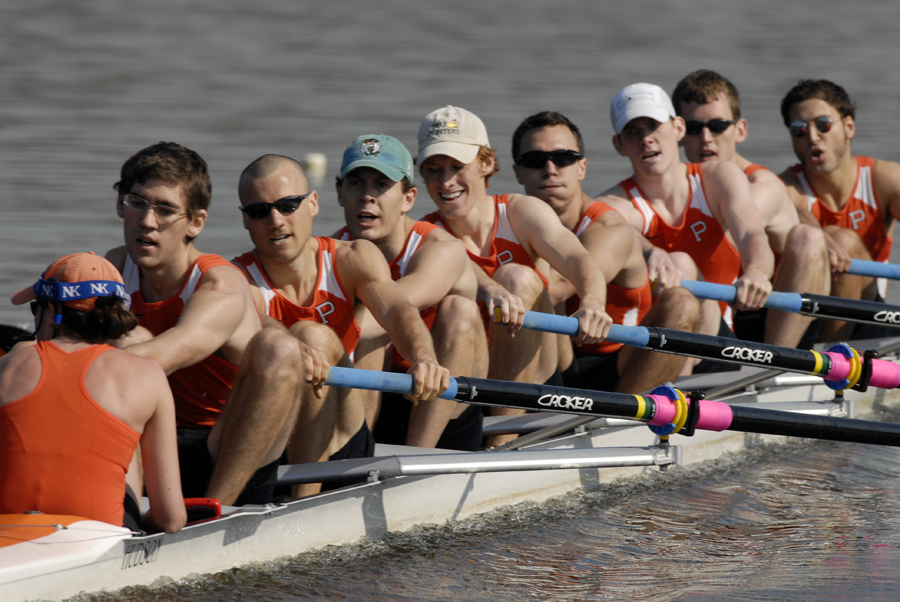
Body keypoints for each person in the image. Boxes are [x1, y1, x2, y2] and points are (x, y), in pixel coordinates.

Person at [234, 153, 450, 492]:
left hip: (342, 435)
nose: (276, 221)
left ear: (314, 204)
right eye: (260, 211)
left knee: (313, 335)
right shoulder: (234, 279)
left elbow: (397, 311)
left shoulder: (353, 258)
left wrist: (424, 357)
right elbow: (255, 319)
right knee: (296, 341)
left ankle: (302, 502)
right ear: (246, 220)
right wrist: (290, 347)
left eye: (288, 205)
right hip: (272, 436)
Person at [106, 141, 306, 507]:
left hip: (226, 448)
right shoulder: (115, 269)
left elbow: (164, 354)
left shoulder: (220, 283)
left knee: (279, 349)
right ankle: (126, 511)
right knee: (124, 338)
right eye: (137, 203)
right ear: (121, 204)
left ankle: (215, 514)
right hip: (154, 445)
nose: (148, 221)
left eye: (166, 211)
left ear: (196, 223)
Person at [416, 105, 613, 446]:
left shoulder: (522, 212)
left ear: (486, 164)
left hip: (536, 374)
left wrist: (594, 303)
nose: (446, 182)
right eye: (434, 170)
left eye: (457, 167)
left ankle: (501, 443)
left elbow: (578, 257)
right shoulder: (426, 235)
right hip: (472, 377)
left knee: (517, 278)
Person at [511, 111, 701, 392]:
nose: (550, 169)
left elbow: (558, 288)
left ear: (582, 168)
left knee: (682, 303)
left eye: (563, 158)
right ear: (517, 172)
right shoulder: (510, 219)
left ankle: (627, 412)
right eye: (535, 160)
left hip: (621, 363)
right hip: (561, 355)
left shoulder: (607, 228)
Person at [0, 252, 185, 533]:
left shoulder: (6, 368)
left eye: (35, 307)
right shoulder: (146, 376)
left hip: (8, 532)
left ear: (51, 311)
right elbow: (171, 519)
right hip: (99, 537)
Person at [333, 134, 487, 450]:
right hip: (377, 393)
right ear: (339, 192)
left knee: (454, 310)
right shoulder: (330, 252)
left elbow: (391, 310)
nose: (366, 196)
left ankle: (416, 460)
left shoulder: (441, 249)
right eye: (356, 184)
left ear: (408, 198)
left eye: (380, 185)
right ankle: (352, 457)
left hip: (442, 397)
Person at [599, 83, 774, 343]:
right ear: (619, 145)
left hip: (718, 343)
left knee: (679, 264)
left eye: (653, 126)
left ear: (678, 129)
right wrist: (651, 250)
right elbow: (611, 227)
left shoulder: (719, 177)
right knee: (678, 264)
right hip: (649, 345)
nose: (645, 139)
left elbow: (751, 234)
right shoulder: (615, 204)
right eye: (632, 131)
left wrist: (757, 273)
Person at [672, 70, 829, 349]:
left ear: (740, 130)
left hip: (776, 312)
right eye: (695, 128)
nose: (706, 138)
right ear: (679, 134)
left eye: (718, 126)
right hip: (728, 309)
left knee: (809, 237)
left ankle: (775, 367)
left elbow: (726, 236)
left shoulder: (762, 185)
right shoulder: (679, 187)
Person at [778, 79, 900, 341]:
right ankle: (832, 360)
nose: (812, 137)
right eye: (799, 130)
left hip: (871, 316)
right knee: (835, 237)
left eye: (823, 125)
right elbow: (791, 210)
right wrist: (819, 235)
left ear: (849, 127)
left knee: (843, 239)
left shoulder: (885, 179)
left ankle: (833, 358)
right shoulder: (786, 187)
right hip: (809, 316)